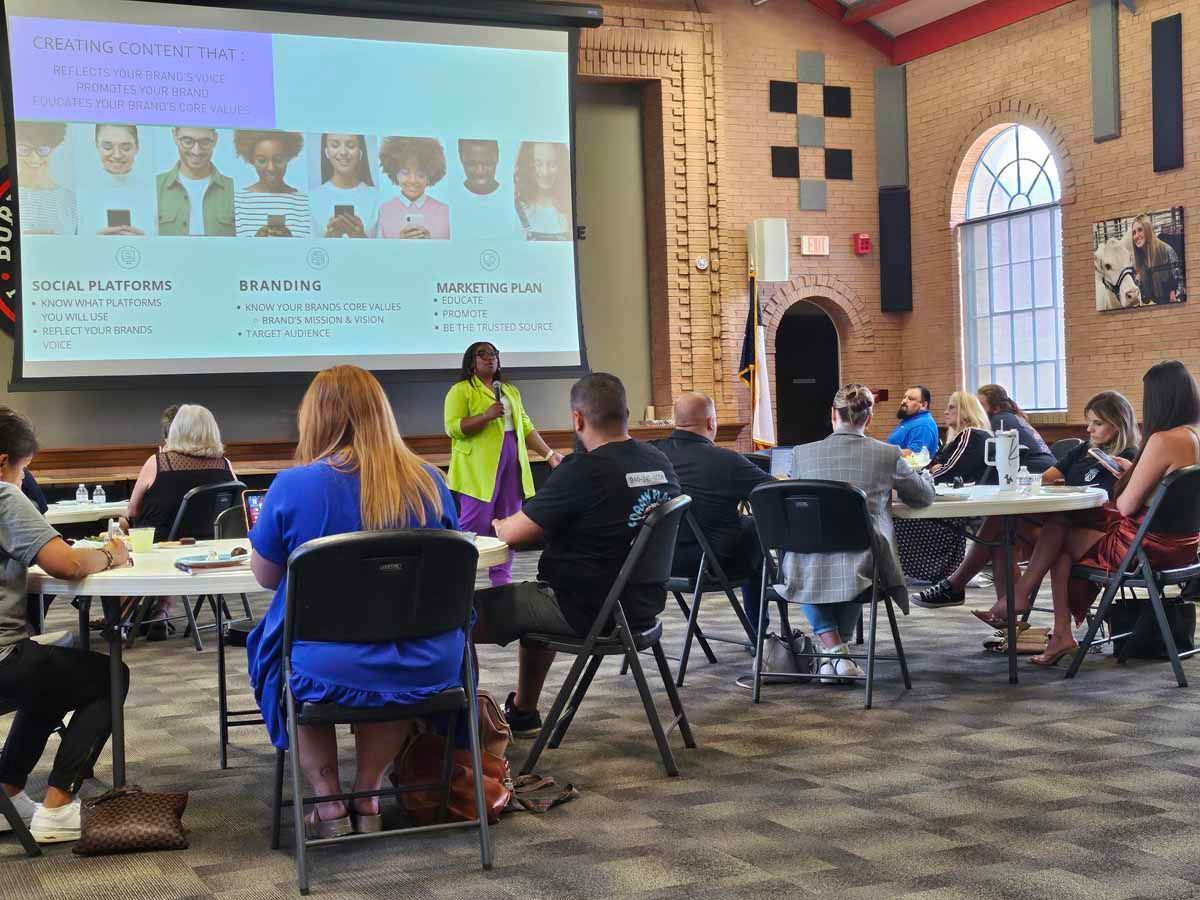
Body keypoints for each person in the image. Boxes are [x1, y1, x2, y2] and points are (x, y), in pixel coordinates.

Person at [246, 366, 462, 837]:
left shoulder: (293, 485)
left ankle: (327, 804)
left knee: (283, 649)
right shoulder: (431, 480)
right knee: (388, 644)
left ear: (315, 418)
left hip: (324, 663)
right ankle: (368, 792)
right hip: (427, 659)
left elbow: (265, 578)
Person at [474, 373, 679, 734]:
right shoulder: (658, 461)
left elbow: (515, 534)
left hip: (583, 609)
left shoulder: (583, 470)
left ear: (578, 419)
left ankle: (458, 734)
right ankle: (523, 713)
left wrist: (498, 524)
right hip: (643, 606)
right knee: (539, 595)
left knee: (453, 615)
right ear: (626, 413)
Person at [1008, 362, 1200, 666]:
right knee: (1061, 537)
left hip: (1145, 548)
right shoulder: (1194, 435)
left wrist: (1130, 477)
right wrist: (1132, 470)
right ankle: (1056, 630)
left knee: (1057, 534)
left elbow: (1125, 506)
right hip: (1186, 547)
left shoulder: (1163, 440)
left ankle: (1035, 610)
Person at [0, 407, 131, 844]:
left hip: (12, 662)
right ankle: (57, 806)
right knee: (108, 675)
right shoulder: (3, 496)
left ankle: (8, 791)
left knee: (52, 670)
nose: (23, 481)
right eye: (24, 470)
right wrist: (114, 554)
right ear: (4, 462)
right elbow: (68, 565)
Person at [913, 390, 1140, 614]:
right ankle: (1005, 617)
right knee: (1003, 528)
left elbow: (1122, 506)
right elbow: (1047, 477)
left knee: (1005, 528)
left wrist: (1129, 474)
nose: (1089, 429)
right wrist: (1024, 478)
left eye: (1097, 423)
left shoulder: (1129, 457)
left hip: (1091, 531)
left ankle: (969, 591)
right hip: (1064, 523)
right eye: (1089, 422)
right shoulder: (1085, 449)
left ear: (1118, 424)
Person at [780, 384, 934, 682]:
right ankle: (838, 653)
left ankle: (833, 655)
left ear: (832, 415)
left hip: (808, 557)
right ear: (870, 417)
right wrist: (923, 475)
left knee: (809, 565)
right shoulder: (887, 454)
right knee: (847, 567)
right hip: (865, 558)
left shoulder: (801, 454)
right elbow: (922, 498)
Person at [443, 342, 563, 586]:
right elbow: (453, 428)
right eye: (483, 354)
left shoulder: (509, 391)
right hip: (477, 469)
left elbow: (526, 427)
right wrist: (485, 416)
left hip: (512, 464)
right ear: (471, 363)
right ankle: (457, 581)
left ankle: (502, 581)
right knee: (473, 524)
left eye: (494, 354)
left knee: (508, 523)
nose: (490, 358)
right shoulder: (461, 390)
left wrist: (549, 454)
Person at [653, 392, 772, 635]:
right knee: (755, 530)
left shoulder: (651, 454)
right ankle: (758, 633)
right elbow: (775, 494)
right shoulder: (727, 461)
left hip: (658, 561)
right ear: (710, 423)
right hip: (709, 563)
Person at [895, 391, 992, 584]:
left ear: (965, 412)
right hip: (955, 496)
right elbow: (936, 465)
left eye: (951, 407)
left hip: (956, 502)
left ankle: (921, 570)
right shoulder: (960, 437)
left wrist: (921, 480)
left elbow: (948, 470)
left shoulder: (970, 435)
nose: (945, 412)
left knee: (900, 515)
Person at [125, 404, 237, 541]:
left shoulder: (158, 463)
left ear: (176, 430)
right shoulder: (225, 465)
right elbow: (234, 510)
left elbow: (132, 511)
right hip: (212, 549)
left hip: (161, 550)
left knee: (122, 523)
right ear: (213, 431)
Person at [156, 126, 235, 236]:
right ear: (174, 136)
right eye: (188, 142)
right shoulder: (153, 187)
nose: (196, 151)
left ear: (215, 139)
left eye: (205, 142)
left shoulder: (235, 189)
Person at [80, 124, 155, 237]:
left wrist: (145, 242)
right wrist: (92, 241)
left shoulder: (154, 192)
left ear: (137, 147)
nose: (117, 155)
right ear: (97, 146)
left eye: (125, 148)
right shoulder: (80, 192)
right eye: (107, 147)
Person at [233, 130, 311, 238]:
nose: (271, 168)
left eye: (278, 160)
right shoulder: (237, 202)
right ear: (252, 160)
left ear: (288, 158)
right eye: (262, 160)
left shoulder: (306, 203)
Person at [377, 137, 451, 239]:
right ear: (394, 172)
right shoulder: (384, 210)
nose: (412, 180)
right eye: (405, 173)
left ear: (430, 175)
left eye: (420, 174)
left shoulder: (445, 212)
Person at [310, 133, 378, 239]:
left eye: (350, 146)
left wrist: (361, 237)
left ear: (360, 152)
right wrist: (328, 239)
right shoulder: (311, 198)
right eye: (335, 145)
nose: (343, 152)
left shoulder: (377, 198)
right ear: (326, 151)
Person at [976, 384, 1055, 474]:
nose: (978, 410)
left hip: (1036, 472)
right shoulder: (1014, 417)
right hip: (1049, 468)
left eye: (981, 406)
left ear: (997, 407)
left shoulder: (999, 421)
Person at [15, 121, 77, 235]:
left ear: (54, 148)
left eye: (42, 149)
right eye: (24, 149)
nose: (34, 157)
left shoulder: (71, 200)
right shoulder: (6, 195)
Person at [453, 139, 520, 240]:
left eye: (488, 163)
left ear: (497, 157)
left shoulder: (515, 198)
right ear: (461, 158)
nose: (480, 171)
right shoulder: (451, 200)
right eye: (471, 164)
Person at [514, 141, 571, 240]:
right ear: (527, 166)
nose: (545, 173)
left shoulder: (570, 207)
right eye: (538, 164)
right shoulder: (517, 207)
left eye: (552, 164)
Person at [1131, 214, 1185, 305]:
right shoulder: (1137, 260)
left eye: (1140, 230)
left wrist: (1176, 294)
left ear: (1148, 230)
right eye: (1134, 233)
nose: (1136, 236)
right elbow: (1144, 298)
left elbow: (1180, 281)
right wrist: (1138, 282)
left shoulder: (1167, 250)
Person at [887, 385, 939, 456]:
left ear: (923, 405)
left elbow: (915, 455)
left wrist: (883, 453)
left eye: (910, 399)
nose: (904, 401)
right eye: (904, 397)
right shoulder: (910, 421)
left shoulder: (922, 425)